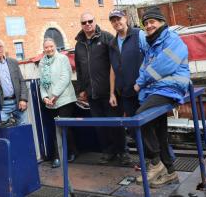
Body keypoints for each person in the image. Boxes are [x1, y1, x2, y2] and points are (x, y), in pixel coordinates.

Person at [134, 7, 190, 188]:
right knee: (159, 131)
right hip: (158, 90)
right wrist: (142, 82)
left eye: (152, 22)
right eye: (146, 23)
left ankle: (156, 162)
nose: (149, 26)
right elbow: (145, 66)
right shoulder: (153, 44)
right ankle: (171, 172)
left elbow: (161, 67)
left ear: (162, 23)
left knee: (140, 118)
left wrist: (140, 82)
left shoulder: (172, 40)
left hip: (170, 90)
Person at [74, 12, 128, 165]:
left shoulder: (106, 38)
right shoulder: (79, 45)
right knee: (100, 125)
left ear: (95, 21)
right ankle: (108, 152)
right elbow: (79, 69)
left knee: (115, 123)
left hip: (109, 91)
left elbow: (115, 63)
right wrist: (81, 89)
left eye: (90, 21)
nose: (87, 24)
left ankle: (122, 152)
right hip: (91, 92)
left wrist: (115, 90)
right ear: (81, 25)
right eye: (84, 22)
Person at [108, 9, 148, 164]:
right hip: (125, 93)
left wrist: (142, 82)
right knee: (133, 129)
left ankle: (163, 162)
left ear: (125, 18)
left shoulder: (139, 34)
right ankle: (145, 161)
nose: (117, 22)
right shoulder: (112, 43)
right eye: (113, 20)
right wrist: (112, 92)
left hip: (143, 90)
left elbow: (150, 57)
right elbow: (113, 68)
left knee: (150, 126)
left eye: (119, 18)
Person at [39, 38, 77, 168]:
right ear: (43, 49)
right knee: (58, 127)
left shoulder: (62, 59)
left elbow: (65, 78)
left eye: (51, 46)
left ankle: (58, 156)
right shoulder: (42, 62)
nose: (49, 49)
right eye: (46, 47)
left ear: (55, 46)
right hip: (51, 102)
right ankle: (70, 151)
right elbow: (42, 82)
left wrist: (54, 95)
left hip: (64, 98)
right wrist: (45, 97)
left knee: (62, 126)